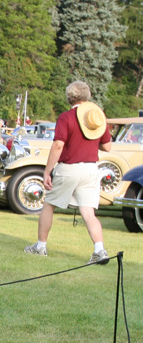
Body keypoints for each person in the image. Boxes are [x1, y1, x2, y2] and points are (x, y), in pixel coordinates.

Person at [25, 81, 111, 264]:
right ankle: (99, 250)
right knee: (88, 212)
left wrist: (47, 171)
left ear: (69, 98)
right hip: (90, 168)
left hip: (69, 166)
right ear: (87, 96)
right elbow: (107, 146)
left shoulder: (66, 117)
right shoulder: (97, 116)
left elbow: (58, 145)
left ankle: (40, 246)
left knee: (49, 204)